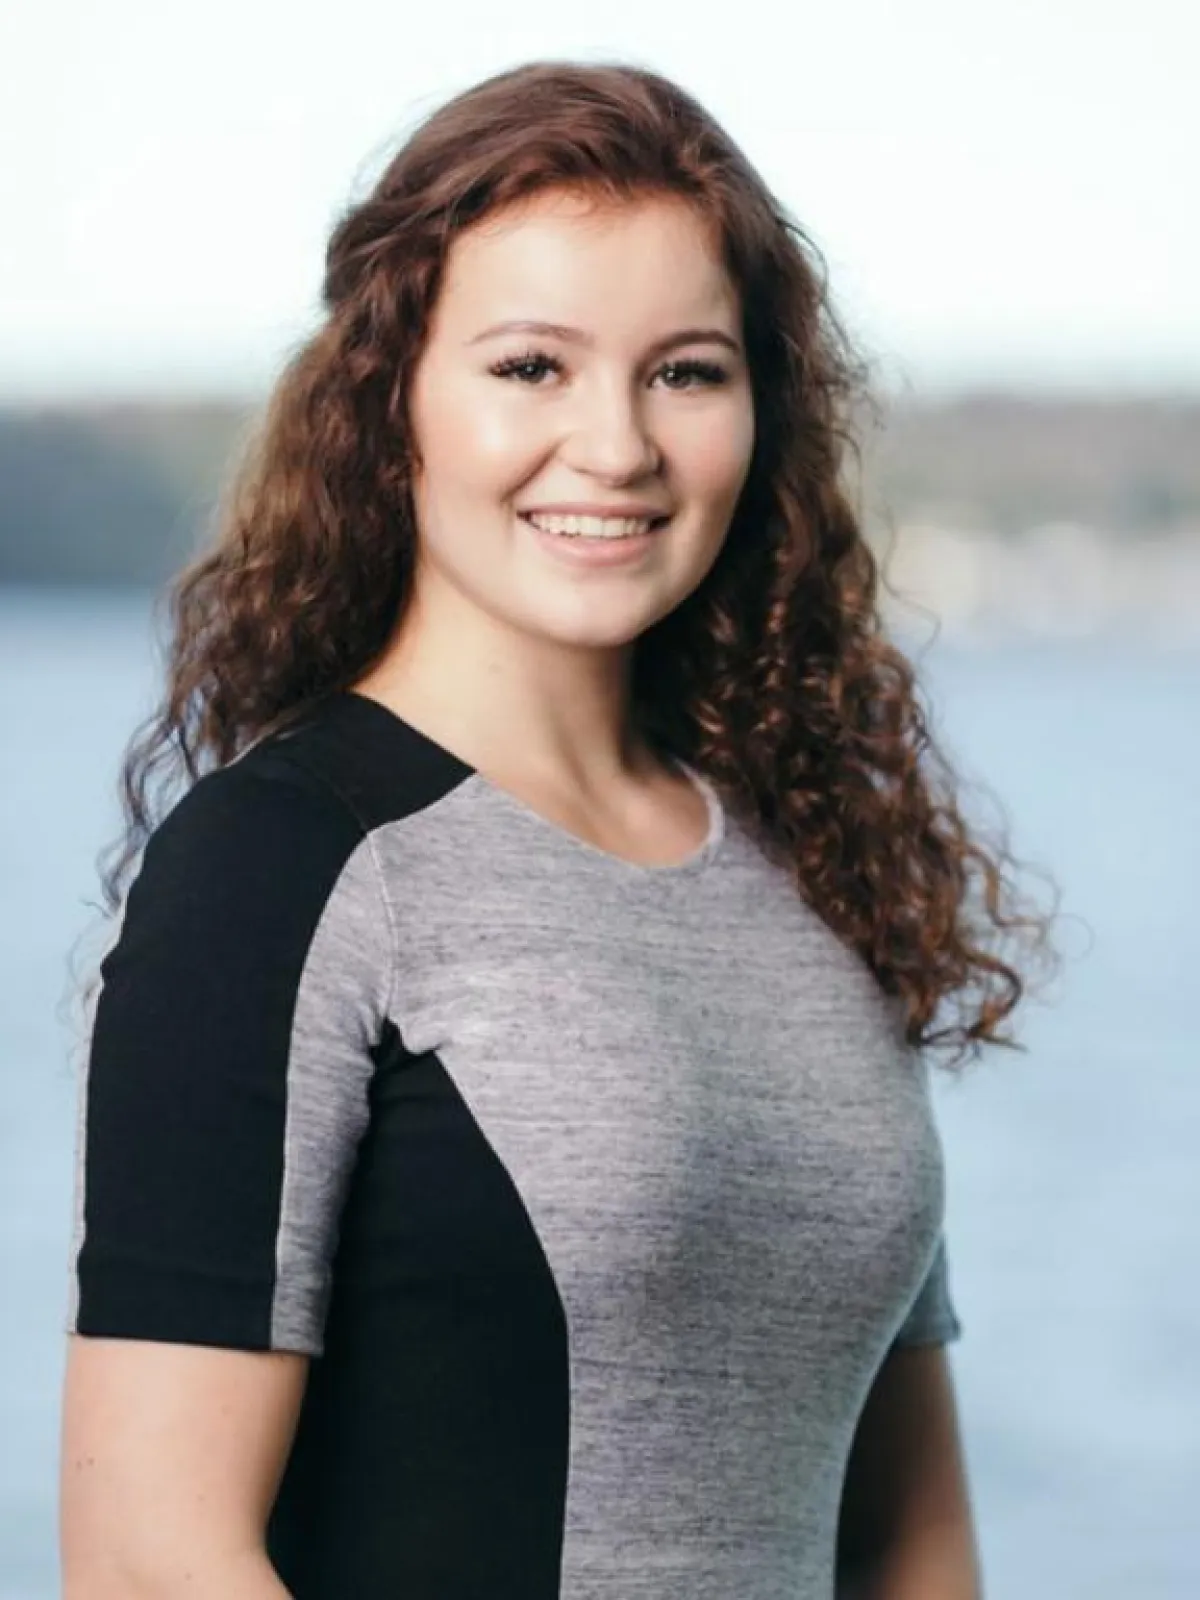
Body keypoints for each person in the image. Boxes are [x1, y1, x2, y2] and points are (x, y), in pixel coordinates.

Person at [59, 58, 1058, 1600]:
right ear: (392, 400)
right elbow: (148, 1556)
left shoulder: (817, 867)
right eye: (532, 366)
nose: (617, 446)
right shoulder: (279, 866)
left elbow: (910, 1544)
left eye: (687, 372)